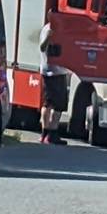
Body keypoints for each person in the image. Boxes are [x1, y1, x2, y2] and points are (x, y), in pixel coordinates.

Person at [38, 16, 71, 145]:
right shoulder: (49, 30)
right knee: (58, 104)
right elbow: (42, 47)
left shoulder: (50, 28)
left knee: (48, 103)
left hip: (52, 70)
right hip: (55, 71)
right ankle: (51, 132)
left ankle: (45, 133)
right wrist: (49, 37)